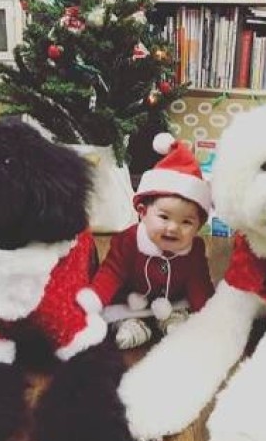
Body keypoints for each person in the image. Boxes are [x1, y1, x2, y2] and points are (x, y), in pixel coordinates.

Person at [77, 134, 214, 349]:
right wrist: (95, 299)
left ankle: (173, 322)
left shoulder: (194, 249)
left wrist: (208, 316)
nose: (173, 228)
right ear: (143, 212)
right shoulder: (129, 240)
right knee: (121, 314)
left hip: (171, 300)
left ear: (198, 226)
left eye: (186, 222)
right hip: (131, 298)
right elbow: (111, 273)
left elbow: (199, 284)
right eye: (164, 217)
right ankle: (134, 326)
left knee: (183, 314)